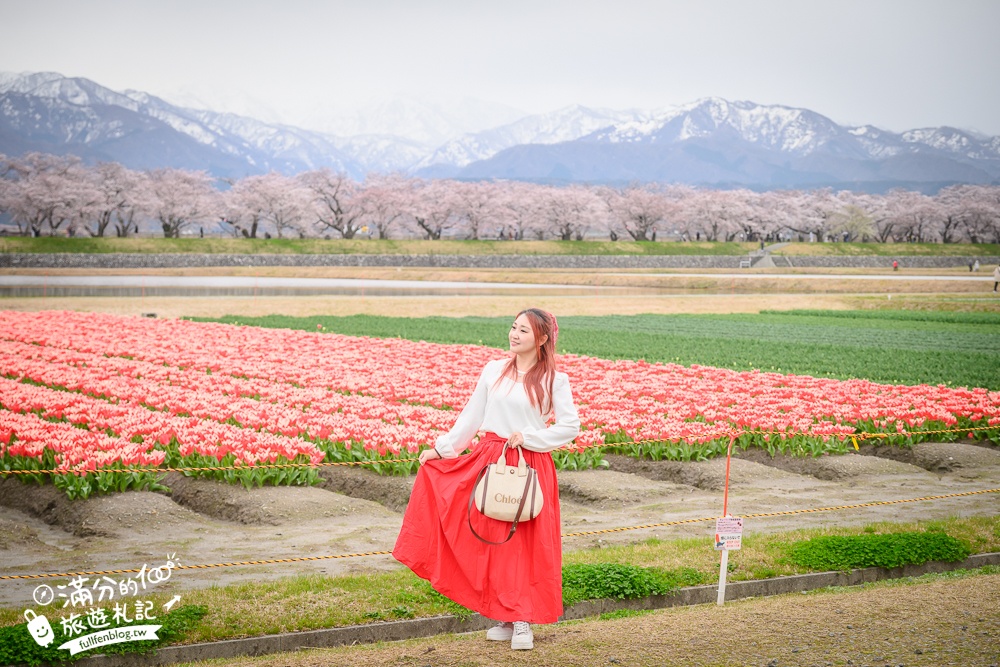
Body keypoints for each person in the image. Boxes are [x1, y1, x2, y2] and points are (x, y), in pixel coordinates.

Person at [393, 308, 580, 651]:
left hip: (530, 463)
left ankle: (524, 618)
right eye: (513, 327)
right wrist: (442, 449)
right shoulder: (494, 371)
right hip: (490, 456)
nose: (514, 334)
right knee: (494, 539)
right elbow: (472, 415)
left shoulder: (555, 379)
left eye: (523, 330)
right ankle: (505, 614)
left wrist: (531, 437)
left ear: (542, 339)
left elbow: (570, 426)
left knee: (524, 541)